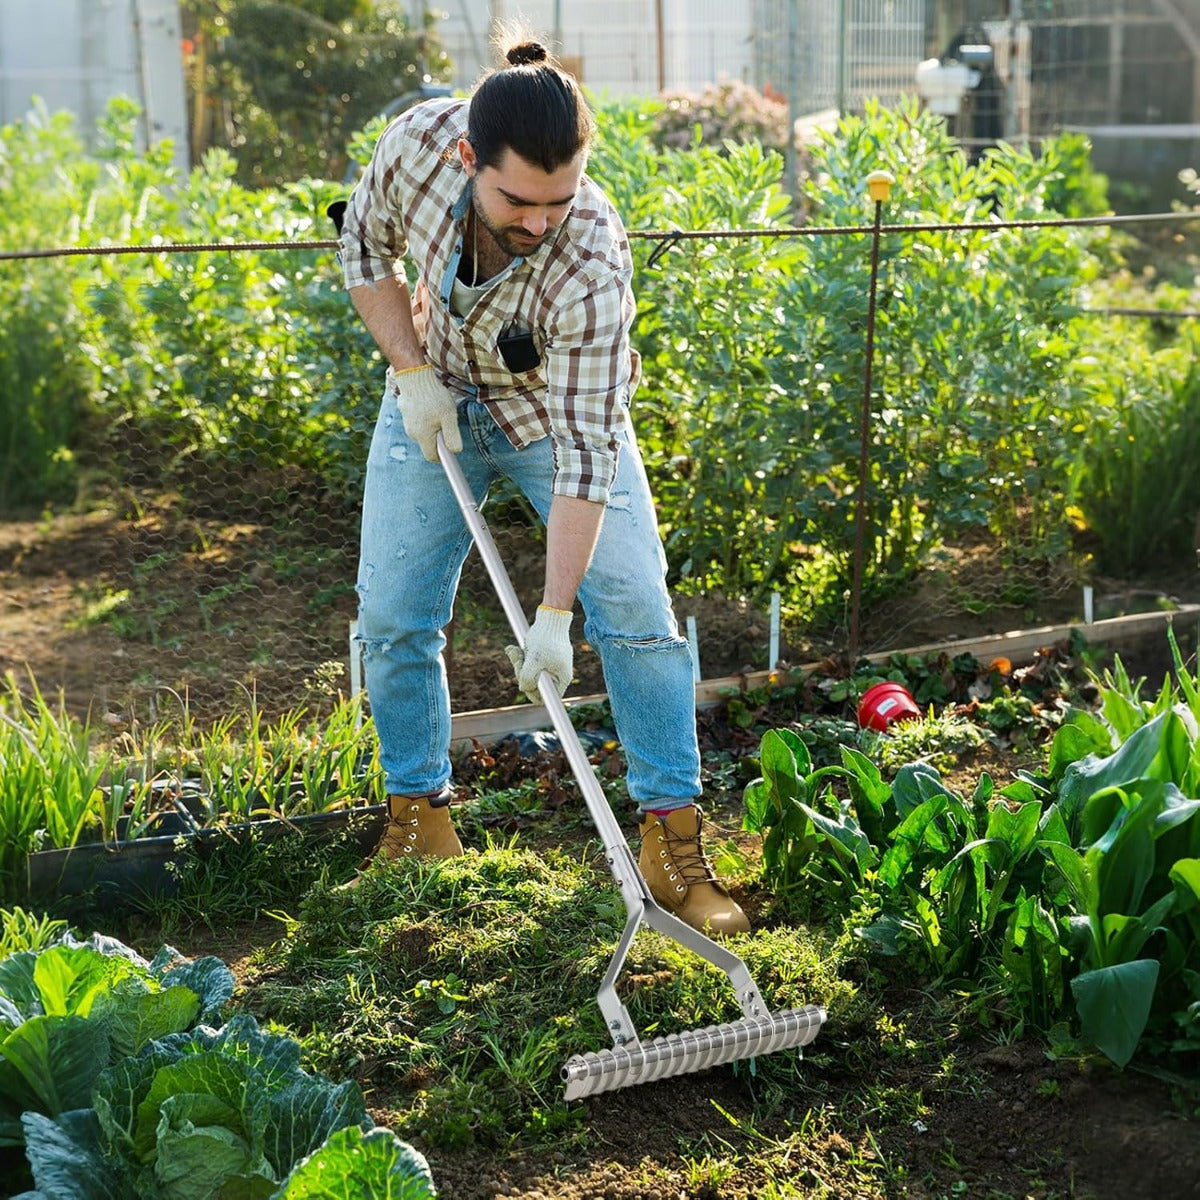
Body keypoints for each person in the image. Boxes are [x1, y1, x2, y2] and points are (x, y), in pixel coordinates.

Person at [334, 32, 748, 935]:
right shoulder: (414, 146)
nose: (539, 222)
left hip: (550, 416)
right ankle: (419, 822)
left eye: (558, 201)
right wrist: (410, 369)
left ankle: (672, 845)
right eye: (518, 201)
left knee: (636, 609)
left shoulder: (590, 258)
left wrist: (555, 617)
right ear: (465, 158)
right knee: (395, 614)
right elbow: (364, 248)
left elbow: (588, 453)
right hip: (433, 393)